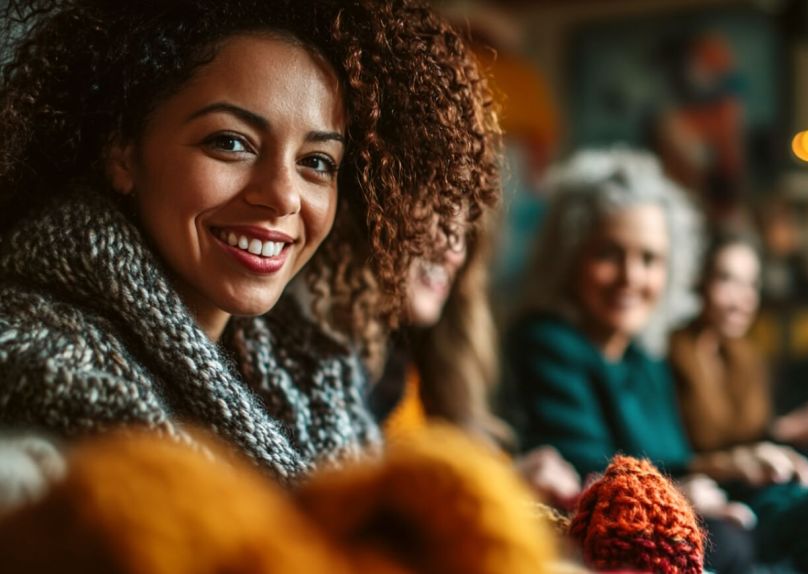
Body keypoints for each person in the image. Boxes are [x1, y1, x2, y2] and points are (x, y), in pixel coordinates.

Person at [0, 0, 500, 483]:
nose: (284, 196)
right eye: (230, 142)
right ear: (123, 153)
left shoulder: (315, 369)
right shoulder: (36, 373)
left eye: (317, 162)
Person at [506, 148, 773, 574]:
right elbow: (588, 476)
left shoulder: (643, 355)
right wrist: (689, 490)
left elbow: (667, 458)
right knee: (727, 538)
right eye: (609, 254)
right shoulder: (546, 341)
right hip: (592, 531)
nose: (631, 277)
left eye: (649, 259)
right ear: (570, 258)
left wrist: (730, 465)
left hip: (656, 515)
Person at [367, 215, 582, 507]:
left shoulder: (434, 362)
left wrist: (514, 477)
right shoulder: (346, 372)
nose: (453, 251)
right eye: (433, 217)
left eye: (462, 230)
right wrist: (500, 487)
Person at [669, 233, 808, 471]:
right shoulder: (670, 353)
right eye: (727, 280)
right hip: (702, 482)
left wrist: (786, 429)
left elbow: (748, 435)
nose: (743, 299)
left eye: (751, 284)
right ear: (700, 281)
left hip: (750, 472)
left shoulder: (747, 355)